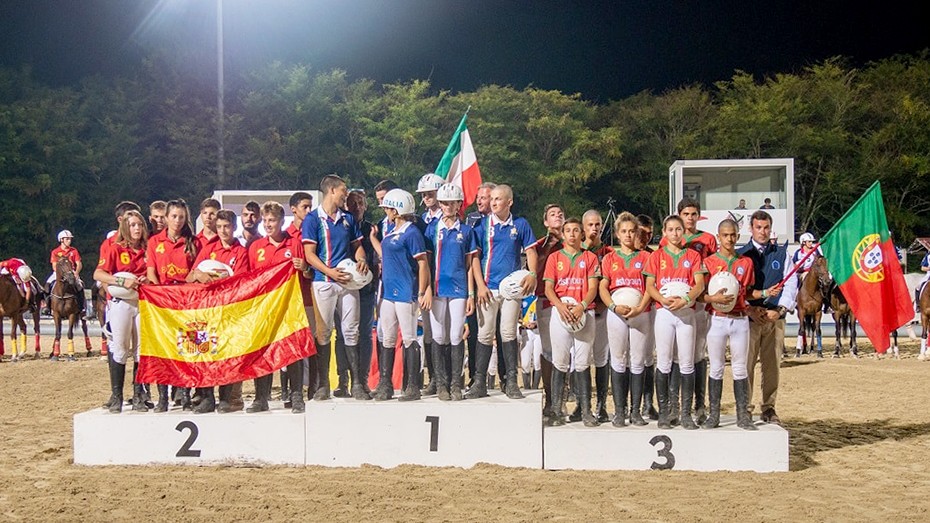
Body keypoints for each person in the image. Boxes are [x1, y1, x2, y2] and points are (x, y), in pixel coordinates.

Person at [702, 219, 778, 430]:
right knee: (716, 366)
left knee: (740, 367)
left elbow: (747, 292)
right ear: (718, 237)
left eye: (733, 235)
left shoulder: (745, 262)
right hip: (716, 319)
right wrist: (713, 298)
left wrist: (765, 293)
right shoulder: (709, 262)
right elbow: (701, 293)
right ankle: (714, 415)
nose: (730, 239)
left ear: (738, 236)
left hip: (739, 319)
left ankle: (743, 415)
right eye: (725, 235)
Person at [302, 174, 370, 401]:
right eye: (343, 190)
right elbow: (309, 255)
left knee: (351, 330)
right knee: (323, 332)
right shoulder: (313, 219)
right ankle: (323, 384)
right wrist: (329, 271)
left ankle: (357, 383)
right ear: (331, 190)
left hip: (348, 281)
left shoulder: (347, 218)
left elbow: (357, 246)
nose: (345, 194)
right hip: (324, 281)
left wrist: (361, 259)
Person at [469, 184, 538, 399]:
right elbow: (474, 258)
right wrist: (480, 285)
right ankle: (479, 382)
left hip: (511, 289)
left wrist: (532, 274)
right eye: (492, 199)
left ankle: (511, 382)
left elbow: (531, 251)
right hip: (488, 287)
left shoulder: (520, 224)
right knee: (485, 333)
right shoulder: (482, 225)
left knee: (508, 332)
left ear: (510, 202)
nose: (493, 202)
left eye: (498, 199)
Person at [246, 201, 311, 413]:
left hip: (289, 308)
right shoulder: (256, 247)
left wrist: (305, 267)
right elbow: (249, 279)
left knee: (292, 350)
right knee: (262, 351)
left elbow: (308, 274)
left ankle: (296, 395)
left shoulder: (294, 244)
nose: (268, 224)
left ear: (282, 221)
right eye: (265, 220)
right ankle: (261, 397)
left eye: (272, 220)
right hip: (264, 308)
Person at [643, 215, 706, 430]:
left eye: (678, 229)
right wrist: (662, 299)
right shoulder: (656, 256)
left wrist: (686, 299)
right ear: (664, 232)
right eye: (670, 229)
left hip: (686, 313)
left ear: (683, 231)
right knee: (664, 362)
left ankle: (685, 414)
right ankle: (665, 413)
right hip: (665, 313)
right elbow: (650, 286)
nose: (675, 233)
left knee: (686, 362)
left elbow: (699, 284)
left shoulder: (693, 256)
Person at [370, 189, 432, 401]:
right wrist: (373, 240)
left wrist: (421, 291)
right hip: (389, 291)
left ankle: (412, 386)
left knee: (408, 337)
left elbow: (422, 263)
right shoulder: (391, 230)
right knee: (387, 338)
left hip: (406, 291)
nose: (386, 212)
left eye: (388, 208)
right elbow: (386, 255)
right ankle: (385, 384)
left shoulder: (411, 232)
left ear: (397, 210)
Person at [187, 209, 251, 413]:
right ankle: (207, 397)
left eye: (227, 227)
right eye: (220, 227)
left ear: (234, 227)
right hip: (207, 310)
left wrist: (220, 280)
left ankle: (227, 397)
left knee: (227, 353)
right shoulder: (208, 249)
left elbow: (240, 282)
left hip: (228, 310)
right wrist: (199, 274)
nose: (223, 231)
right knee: (205, 350)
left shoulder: (240, 252)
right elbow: (190, 276)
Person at [738, 210, 798, 425]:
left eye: (766, 228)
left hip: (775, 318)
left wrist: (780, 309)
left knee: (772, 365)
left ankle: (769, 407)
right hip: (749, 319)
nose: (762, 232)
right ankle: (745, 406)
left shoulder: (781, 254)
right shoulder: (741, 255)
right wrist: (749, 309)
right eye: (758, 227)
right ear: (751, 229)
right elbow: (737, 288)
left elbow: (791, 284)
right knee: (745, 365)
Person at [663, 198, 718, 426]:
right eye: (686, 214)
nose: (690, 218)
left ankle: (699, 404)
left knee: (697, 354)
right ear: (679, 215)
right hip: (674, 303)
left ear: (698, 216)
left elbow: (713, 269)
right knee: (677, 354)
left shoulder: (707, 239)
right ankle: (674, 406)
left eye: (694, 214)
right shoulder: (671, 238)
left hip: (699, 301)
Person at [544, 217, 600, 426]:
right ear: (563, 234)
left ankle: (585, 411)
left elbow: (593, 287)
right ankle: (556, 410)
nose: (572, 234)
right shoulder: (554, 258)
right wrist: (559, 306)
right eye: (568, 230)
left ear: (581, 234)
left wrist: (581, 306)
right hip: (560, 314)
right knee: (560, 362)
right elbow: (548, 288)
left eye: (576, 230)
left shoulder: (590, 258)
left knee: (583, 362)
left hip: (584, 313)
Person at [599, 212, 652, 427]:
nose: (628, 235)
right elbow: (603, 287)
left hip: (640, 313)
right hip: (617, 313)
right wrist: (613, 306)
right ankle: (619, 411)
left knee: (637, 360)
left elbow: (650, 287)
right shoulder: (609, 258)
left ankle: (635, 411)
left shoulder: (646, 257)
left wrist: (641, 307)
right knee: (618, 359)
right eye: (624, 231)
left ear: (637, 233)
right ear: (617, 234)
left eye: (632, 231)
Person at [145, 198, 199, 412]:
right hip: (162, 302)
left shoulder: (193, 242)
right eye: (174, 216)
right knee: (163, 349)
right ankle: (162, 397)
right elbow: (151, 272)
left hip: (186, 301)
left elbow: (195, 272)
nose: (177, 220)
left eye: (181, 217)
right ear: (166, 218)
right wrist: (160, 294)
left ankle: (185, 395)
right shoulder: (154, 242)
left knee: (186, 348)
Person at [425, 183, 477, 401]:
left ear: (458, 204)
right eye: (444, 203)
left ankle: (456, 383)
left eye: (451, 203)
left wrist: (471, 294)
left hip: (459, 289)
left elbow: (470, 264)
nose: (447, 207)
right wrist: (426, 288)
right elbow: (426, 262)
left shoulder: (466, 231)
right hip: (436, 289)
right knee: (438, 335)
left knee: (456, 335)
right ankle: (441, 384)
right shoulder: (431, 229)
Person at [93, 210, 149, 413]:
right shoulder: (115, 248)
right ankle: (117, 395)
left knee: (142, 349)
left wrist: (147, 279)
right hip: (121, 302)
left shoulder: (148, 249)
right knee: (120, 347)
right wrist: (120, 281)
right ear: (125, 227)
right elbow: (99, 273)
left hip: (142, 302)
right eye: (133, 225)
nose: (137, 228)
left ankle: (139, 395)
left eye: (139, 225)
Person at [577, 210, 612, 423]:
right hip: (582, 312)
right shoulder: (578, 252)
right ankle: (581, 405)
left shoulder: (608, 253)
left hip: (603, 311)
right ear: (583, 228)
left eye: (597, 224)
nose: (594, 228)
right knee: (579, 359)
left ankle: (601, 405)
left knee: (601, 358)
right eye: (590, 225)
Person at [280, 192, 315, 405]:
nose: (309, 211)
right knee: (290, 345)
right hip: (288, 302)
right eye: (305, 207)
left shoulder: (313, 232)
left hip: (309, 297)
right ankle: (288, 390)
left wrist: (306, 268)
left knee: (311, 344)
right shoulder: (285, 237)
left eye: (311, 207)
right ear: (293, 209)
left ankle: (313, 388)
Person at [344, 189, 379, 396]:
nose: (356, 207)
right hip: (345, 287)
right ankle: (344, 380)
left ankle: (363, 380)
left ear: (366, 206)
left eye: (360, 203)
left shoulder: (371, 229)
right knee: (344, 334)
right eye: (352, 203)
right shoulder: (342, 225)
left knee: (365, 334)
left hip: (366, 289)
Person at [533, 204, 565, 422]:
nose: (558, 216)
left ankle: (562, 397)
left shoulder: (574, 243)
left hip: (569, 301)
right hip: (546, 300)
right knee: (548, 350)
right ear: (545, 222)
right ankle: (550, 398)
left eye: (560, 214)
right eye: (553, 214)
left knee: (566, 351)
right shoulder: (539, 246)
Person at [415, 173, 445, 395]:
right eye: (423, 194)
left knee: (444, 332)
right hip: (425, 282)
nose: (426, 197)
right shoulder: (420, 220)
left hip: (444, 282)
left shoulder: (448, 218)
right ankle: (434, 377)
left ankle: (447, 378)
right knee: (428, 331)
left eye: (430, 193)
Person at [464, 182, 496, 384]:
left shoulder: (507, 222)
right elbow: (471, 255)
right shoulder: (472, 221)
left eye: (483, 197)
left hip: (497, 283)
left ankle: (504, 377)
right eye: (478, 197)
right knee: (475, 331)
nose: (479, 201)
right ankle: (475, 377)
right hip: (477, 283)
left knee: (500, 332)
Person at [634, 214, 658, 420]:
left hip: (649, 311)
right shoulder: (621, 254)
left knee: (648, 356)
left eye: (650, 234)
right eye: (642, 232)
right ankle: (628, 405)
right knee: (627, 358)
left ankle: (648, 403)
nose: (646, 237)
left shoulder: (653, 256)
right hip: (627, 312)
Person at [48, 229, 86, 317]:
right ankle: (48, 307)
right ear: (61, 240)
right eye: (67, 239)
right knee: (47, 285)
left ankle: (81, 307)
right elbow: (54, 265)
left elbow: (79, 264)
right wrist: (60, 273)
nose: (69, 241)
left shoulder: (74, 251)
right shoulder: (55, 252)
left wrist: (76, 272)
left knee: (80, 286)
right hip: (58, 273)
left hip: (71, 272)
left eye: (70, 239)